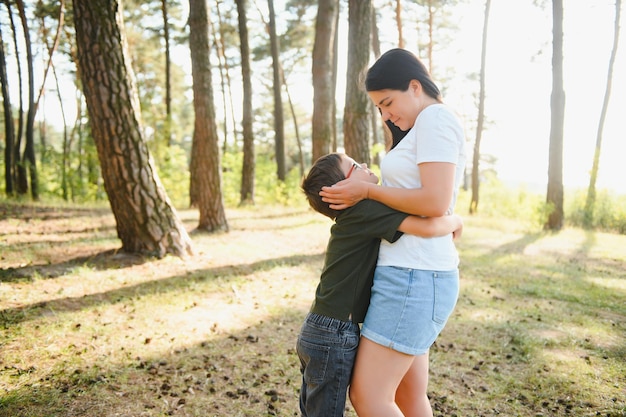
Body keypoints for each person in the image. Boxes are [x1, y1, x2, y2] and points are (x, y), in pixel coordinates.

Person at [319, 49, 467, 417]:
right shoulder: (421, 126)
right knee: (407, 398)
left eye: (388, 103)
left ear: (414, 86)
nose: (386, 115)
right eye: (379, 109)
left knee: (369, 396)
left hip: (414, 277)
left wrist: (367, 191)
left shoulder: (435, 118)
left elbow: (434, 199)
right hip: (409, 273)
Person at [298, 152, 463, 417]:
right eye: (354, 167)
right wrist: (456, 220)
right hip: (334, 331)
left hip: (321, 329)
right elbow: (426, 228)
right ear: (343, 190)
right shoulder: (363, 210)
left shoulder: (356, 214)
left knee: (316, 409)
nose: (363, 164)